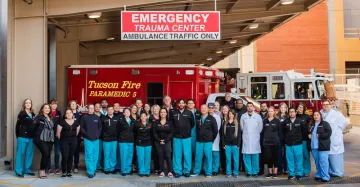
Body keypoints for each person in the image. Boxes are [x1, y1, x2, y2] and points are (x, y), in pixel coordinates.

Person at [320, 100, 347, 178]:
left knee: (335, 157)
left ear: (330, 105)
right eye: (324, 104)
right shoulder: (320, 113)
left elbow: (344, 123)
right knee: (326, 157)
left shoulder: (337, 114)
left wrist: (337, 132)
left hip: (334, 139)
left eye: (327, 104)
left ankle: (338, 173)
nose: (325, 106)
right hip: (324, 140)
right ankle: (329, 171)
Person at [191, 104, 218, 178]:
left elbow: (215, 131)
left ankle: (208, 172)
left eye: (205, 108)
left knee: (208, 157)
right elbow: (196, 130)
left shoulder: (211, 118)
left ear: (208, 109)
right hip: (199, 141)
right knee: (198, 157)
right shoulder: (198, 118)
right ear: (200, 109)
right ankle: (196, 171)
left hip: (208, 142)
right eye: (202, 108)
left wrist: (211, 139)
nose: (203, 109)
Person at [172, 99, 195, 178]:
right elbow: (171, 124)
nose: (181, 104)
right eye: (180, 103)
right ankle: (177, 171)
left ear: (185, 104)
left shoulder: (189, 113)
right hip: (176, 137)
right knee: (177, 155)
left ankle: (186, 171)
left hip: (186, 138)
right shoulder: (174, 113)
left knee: (187, 154)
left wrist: (186, 131)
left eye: (183, 103)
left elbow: (192, 124)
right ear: (178, 104)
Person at [240, 102, 263, 177]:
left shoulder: (258, 116)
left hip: (255, 139)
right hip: (246, 138)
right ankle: (249, 172)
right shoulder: (243, 116)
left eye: (251, 106)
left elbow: (260, 128)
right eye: (248, 106)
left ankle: (255, 171)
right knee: (246, 156)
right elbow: (242, 127)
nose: (249, 107)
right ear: (246, 108)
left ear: (253, 107)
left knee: (255, 156)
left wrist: (255, 134)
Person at [15, 98, 36, 178]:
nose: (28, 104)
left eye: (29, 103)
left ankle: (27, 169)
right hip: (22, 137)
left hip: (31, 137)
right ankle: (18, 171)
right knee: (20, 154)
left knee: (29, 154)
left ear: (31, 104)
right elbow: (25, 124)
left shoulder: (33, 114)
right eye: (26, 103)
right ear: (24, 104)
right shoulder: (21, 114)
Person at [309, 111, 332, 183]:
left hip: (323, 146)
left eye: (317, 115)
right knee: (317, 162)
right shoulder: (311, 124)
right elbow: (310, 132)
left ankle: (325, 176)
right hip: (314, 147)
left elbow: (329, 133)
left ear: (320, 116)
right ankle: (318, 174)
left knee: (323, 162)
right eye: (314, 115)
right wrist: (309, 134)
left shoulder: (325, 124)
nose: (316, 116)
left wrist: (320, 135)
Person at [57, 109, 80, 178]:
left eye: (70, 113)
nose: (69, 114)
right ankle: (64, 172)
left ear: (72, 114)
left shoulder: (76, 122)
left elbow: (77, 132)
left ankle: (69, 171)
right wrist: (63, 139)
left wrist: (72, 137)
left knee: (71, 156)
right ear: (65, 115)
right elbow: (58, 134)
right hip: (64, 141)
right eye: (67, 113)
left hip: (73, 140)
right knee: (65, 156)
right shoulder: (62, 122)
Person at [80, 104, 102, 178]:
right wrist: (86, 135)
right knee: (89, 155)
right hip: (88, 139)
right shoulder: (84, 117)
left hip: (96, 139)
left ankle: (93, 169)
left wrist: (97, 135)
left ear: (94, 109)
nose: (91, 109)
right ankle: (90, 172)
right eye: (90, 108)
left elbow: (100, 127)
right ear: (88, 109)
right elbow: (81, 128)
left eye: (92, 108)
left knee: (95, 155)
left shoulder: (97, 117)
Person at [34, 103, 55, 179]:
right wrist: (36, 138)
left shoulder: (51, 117)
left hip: (49, 140)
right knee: (46, 153)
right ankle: (42, 170)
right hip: (41, 139)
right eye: (45, 108)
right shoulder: (39, 117)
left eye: (48, 108)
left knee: (47, 155)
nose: (47, 109)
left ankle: (43, 169)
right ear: (42, 109)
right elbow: (33, 128)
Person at [283, 108, 305, 180]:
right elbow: (283, 132)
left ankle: (299, 174)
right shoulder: (285, 122)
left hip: (298, 144)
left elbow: (304, 132)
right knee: (290, 159)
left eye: (293, 112)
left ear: (296, 112)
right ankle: (291, 174)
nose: (291, 113)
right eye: (290, 112)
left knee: (299, 159)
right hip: (288, 145)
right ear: (288, 113)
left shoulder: (300, 121)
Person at [153, 108, 174, 178]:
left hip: (167, 142)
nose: (162, 113)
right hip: (158, 142)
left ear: (166, 113)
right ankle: (161, 171)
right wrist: (159, 140)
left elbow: (171, 133)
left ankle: (170, 171)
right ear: (160, 113)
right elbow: (154, 133)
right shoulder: (156, 122)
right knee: (160, 156)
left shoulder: (169, 122)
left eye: (164, 112)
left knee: (168, 156)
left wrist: (165, 140)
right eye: (161, 112)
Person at [221, 109, 241, 178]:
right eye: (230, 114)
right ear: (228, 114)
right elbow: (222, 135)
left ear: (234, 115)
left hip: (235, 145)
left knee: (236, 160)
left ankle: (236, 172)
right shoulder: (225, 123)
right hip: (227, 145)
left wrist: (238, 144)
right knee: (228, 159)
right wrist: (223, 144)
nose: (231, 115)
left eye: (232, 114)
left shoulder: (237, 123)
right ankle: (228, 172)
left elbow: (239, 135)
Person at [262, 107, 281, 179]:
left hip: (275, 142)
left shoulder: (277, 121)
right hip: (266, 142)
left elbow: (280, 132)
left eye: (271, 111)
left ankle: (275, 172)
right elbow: (263, 132)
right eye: (269, 111)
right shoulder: (265, 121)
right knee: (268, 157)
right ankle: (270, 172)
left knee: (275, 157)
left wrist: (279, 141)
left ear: (274, 112)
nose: (270, 112)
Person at [117, 108, 135, 176]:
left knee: (129, 155)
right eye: (126, 112)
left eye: (128, 112)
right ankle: (123, 170)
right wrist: (121, 137)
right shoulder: (121, 121)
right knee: (124, 155)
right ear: (123, 113)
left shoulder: (132, 121)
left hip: (131, 140)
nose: (127, 113)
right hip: (123, 141)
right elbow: (117, 130)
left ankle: (128, 169)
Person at [101, 106, 118, 174]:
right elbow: (101, 129)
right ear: (107, 111)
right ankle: (107, 168)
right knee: (106, 154)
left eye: (111, 109)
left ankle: (112, 168)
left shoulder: (117, 119)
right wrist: (103, 136)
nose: (110, 111)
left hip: (114, 139)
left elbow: (119, 129)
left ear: (113, 110)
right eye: (109, 110)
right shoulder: (103, 119)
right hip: (106, 139)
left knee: (113, 154)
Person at [135, 113, 153, 177]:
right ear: (140, 117)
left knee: (147, 158)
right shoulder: (137, 125)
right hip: (139, 143)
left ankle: (147, 171)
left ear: (146, 117)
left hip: (148, 143)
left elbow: (152, 134)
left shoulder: (150, 125)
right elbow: (135, 134)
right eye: (142, 116)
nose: (143, 117)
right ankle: (141, 171)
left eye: (144, 116)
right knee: (141, 158)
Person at [296, 102, 311, 177]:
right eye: (299, 107)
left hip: (305, 139)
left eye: (301, 107)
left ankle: (307, 171)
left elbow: (311, 126)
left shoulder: (307, 117)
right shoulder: (294, 116)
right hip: (297, 140)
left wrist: (310, 134)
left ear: (304, 108)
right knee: (298, 157)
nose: (300, 108)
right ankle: (299, 171)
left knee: (306, 156)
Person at [48, 99, 61, 175]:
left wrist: (58, 132)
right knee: (48, 152)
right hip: (49, 135)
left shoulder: (59, 113)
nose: (54, 105)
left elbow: (60, 124)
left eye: (56, 104)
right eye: (53, 104)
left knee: (57, 153)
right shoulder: (47, 112)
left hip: (56, 135)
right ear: (50, 105)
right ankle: (49, 168)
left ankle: (56, 168)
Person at [207, 103, 221, 176]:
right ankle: (209, 169)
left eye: (212, 108)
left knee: (215, 155)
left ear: (214, 109)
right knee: (209, 155)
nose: (211, 109)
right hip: (207, 139)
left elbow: (217, 128)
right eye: (209, 108)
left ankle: (215, 169)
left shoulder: (217, 117)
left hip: (215, 138)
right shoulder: (205, 116)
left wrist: (212, 136)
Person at [69, 100, 82, 174]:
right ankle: (69, 166)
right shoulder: (67, 113)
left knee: (76, 152)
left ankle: (76, 166)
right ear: (70, 105)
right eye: (72, 104)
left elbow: (81, 124)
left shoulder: (79, 114)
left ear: (77, 105)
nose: (73, 105)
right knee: (69, 151)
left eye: (74, 104)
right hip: (68, 136)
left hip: (77, 136)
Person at [276, 102, 288, 175]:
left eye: (284, 107)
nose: (283, 109)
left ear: (286, 108)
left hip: (287, 138)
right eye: (281, 107)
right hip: (279, 137)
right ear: (279, 108)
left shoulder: (288, 116)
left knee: (287, 153)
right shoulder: (277, 116)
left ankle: (286, 169)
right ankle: (280, 168)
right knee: (279, 153)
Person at [149, 105, 161, 175]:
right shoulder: (150, 118)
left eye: (157, 109)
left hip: (161, 138)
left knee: (161, 154)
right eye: (154, 109)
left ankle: (161, 168)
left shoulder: (162, 117)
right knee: (155, 154)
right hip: (153, 139)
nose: (155, 110)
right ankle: (156, 168)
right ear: (152, 110)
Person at [220, 105, 230, 174]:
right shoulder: (220, 119)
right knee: (223, 155)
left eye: (226, 108)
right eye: (223, 109)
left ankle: (229, 169)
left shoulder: (231, 118)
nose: (224, 110)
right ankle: (224, 169)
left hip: (229, 140)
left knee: (229, 156)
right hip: (222, 139)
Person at [94, 102, 104, 171]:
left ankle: (98, 165)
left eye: (99, 106)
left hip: (100, 137)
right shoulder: (91, 116)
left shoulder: (103, 117)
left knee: (99, 152)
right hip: (92, 137)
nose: (97, 108)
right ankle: (93, 165)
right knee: (93, 152)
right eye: (96, 106)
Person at [258, 102, 268, 175]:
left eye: (265, 106)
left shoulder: (270, 114)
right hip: (260, 137)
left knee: (268, 154)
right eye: (262, 106)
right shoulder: (257, 115)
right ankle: (261, 170)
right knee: (261, 154)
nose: (263, 107)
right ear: (260, 107)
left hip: (268, 136)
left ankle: (270, 170)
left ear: (267, 107)